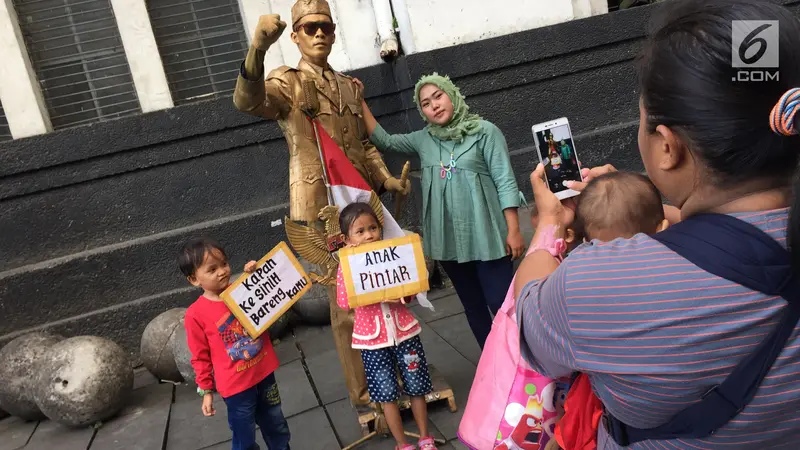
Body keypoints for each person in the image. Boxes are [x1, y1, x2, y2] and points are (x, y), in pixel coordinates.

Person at [514, 0, 800, 448]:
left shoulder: (592, 284)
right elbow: (739, 240)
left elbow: (530, 320)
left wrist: (550, 224)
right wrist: (637, 207)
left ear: (668, 146)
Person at [231, 0, 410, 407]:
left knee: (381, 291)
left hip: (361, 201)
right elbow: (246, 101)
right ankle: (366, 395)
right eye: (309, 28)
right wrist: (257, 47)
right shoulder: (286, 81)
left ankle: (392, 371)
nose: (318, 34)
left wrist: (385, 179)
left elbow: (362, 146)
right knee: (347, 304)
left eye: (325, 27)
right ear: (293, 36)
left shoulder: (348, 85)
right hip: (321, 209)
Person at [353, 73, 526, 349]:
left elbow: (505, 181)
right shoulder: (424, 139)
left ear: (452, 95)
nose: (434, 105)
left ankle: (526, 361)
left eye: (438, 96)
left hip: (487, 235)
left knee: (502, 302)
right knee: (473, 306)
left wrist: (514, 229)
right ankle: (492, 367)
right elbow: (385, 141)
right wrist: (359, 100)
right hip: (449, 240)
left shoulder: (485, 132)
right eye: (425, 103)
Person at [335, 202, 437, 450]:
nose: (369, 234)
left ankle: (425, 437)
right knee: (386, 394)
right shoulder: (346, 265)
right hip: (372, 340)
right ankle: (402, 444)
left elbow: (412, 289)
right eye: (360, 231)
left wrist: (401, 295)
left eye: (373, 228)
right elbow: (343, 300)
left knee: (417, 385)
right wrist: (377, 292)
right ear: (347, 238)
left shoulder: (395, 253)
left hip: (404, 332)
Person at [179, 237, 290, 450]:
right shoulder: (195, 314)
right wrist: (206, 390)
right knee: (243, 436)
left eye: (224, 264)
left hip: (264, 374)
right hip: (236, 388)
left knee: (276, 422)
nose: (222, 271)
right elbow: (199, 356)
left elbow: (270, 297)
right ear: (194, 279)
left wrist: (258, 275)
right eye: (212, 269)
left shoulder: (242, 289)